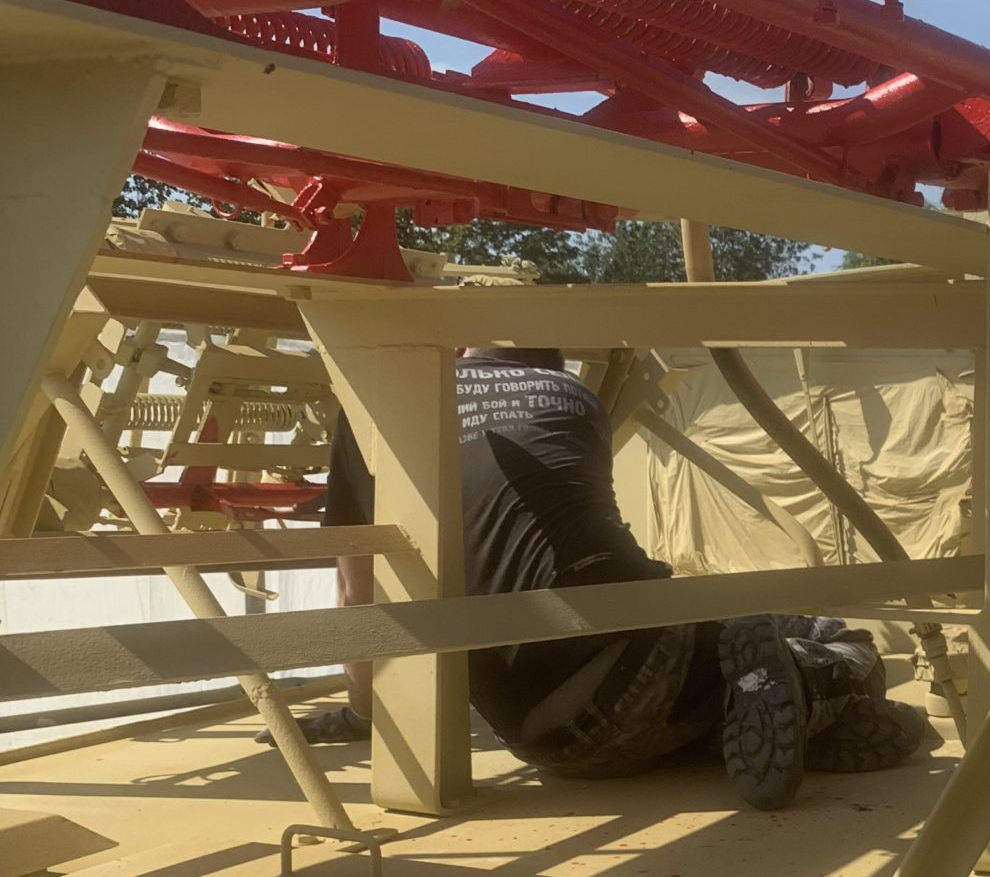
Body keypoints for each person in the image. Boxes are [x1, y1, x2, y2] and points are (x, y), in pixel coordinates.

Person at [295, 347, 928, 810]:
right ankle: (809, 689)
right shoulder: (573, 397)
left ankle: (750, 704)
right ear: (552, 360)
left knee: (700, 675)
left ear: (461, 350)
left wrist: (364, 713)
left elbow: (356, 590)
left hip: (541, 736)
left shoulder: (371, 411)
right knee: (843, 640)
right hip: (640, 650)